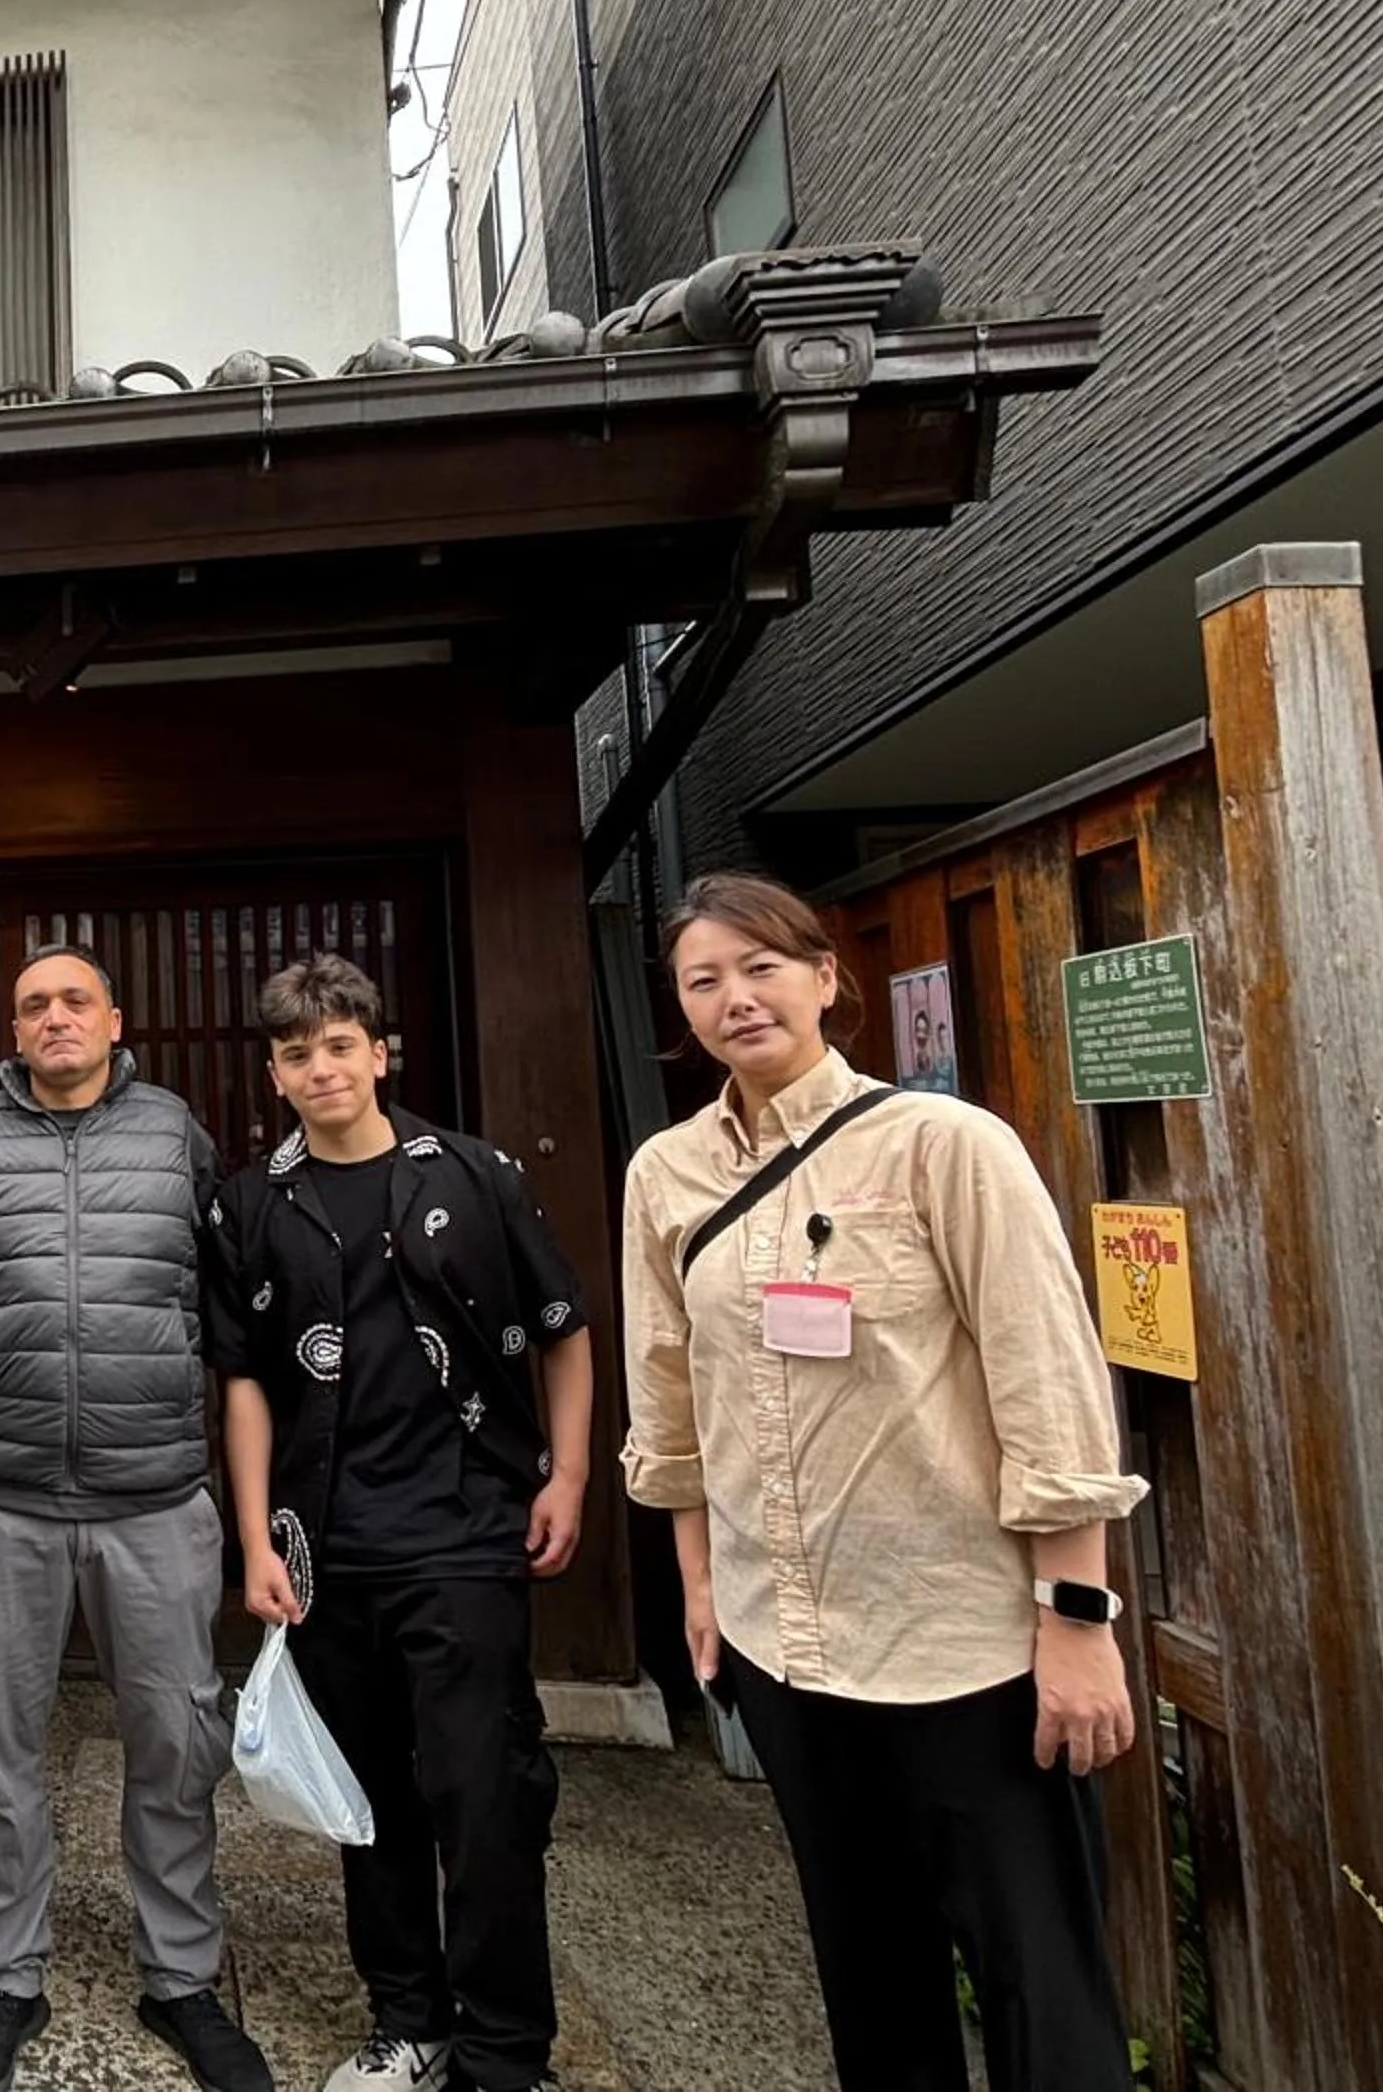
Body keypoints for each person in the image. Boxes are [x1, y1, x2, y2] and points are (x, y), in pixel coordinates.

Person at [620, 873, 1148, 2092]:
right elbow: (672, 1396)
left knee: (1041, 1983)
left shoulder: (944, 1144)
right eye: (704, 980)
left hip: (962, 1640)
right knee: (868, 1973)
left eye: (761, 967)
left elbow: (1050, 1390)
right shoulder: (668, 1172)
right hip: (783, 1642)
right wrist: (702, 1589)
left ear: (825, 977)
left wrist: (1077, 1624)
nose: (735, 998)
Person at [206, 955, 595, 2092]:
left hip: (466, 1528)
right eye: (295, 1052)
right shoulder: (250, 1203)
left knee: (481, 1794)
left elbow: (561, 1326)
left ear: (380, 1051)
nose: (319, 1067)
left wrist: (567, 1474)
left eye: (339, 1044)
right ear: (274, 1073)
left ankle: (505, 2049)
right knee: (365, 1800)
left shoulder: (476, 1178)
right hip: (325, 1540)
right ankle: (407, 2020)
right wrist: (254, 1539)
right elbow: (240, 1382)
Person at [0, 944, 272, 2092]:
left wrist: (219, 1479)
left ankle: (184, 1977)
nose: (54, 1018)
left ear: (114, 1019)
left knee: (176, 1738)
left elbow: (220, 1317)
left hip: (155, 1498)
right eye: (32, 1006)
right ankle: (8, 1975)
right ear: (14, 1034)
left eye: (74, 1000)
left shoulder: (176, 1134)